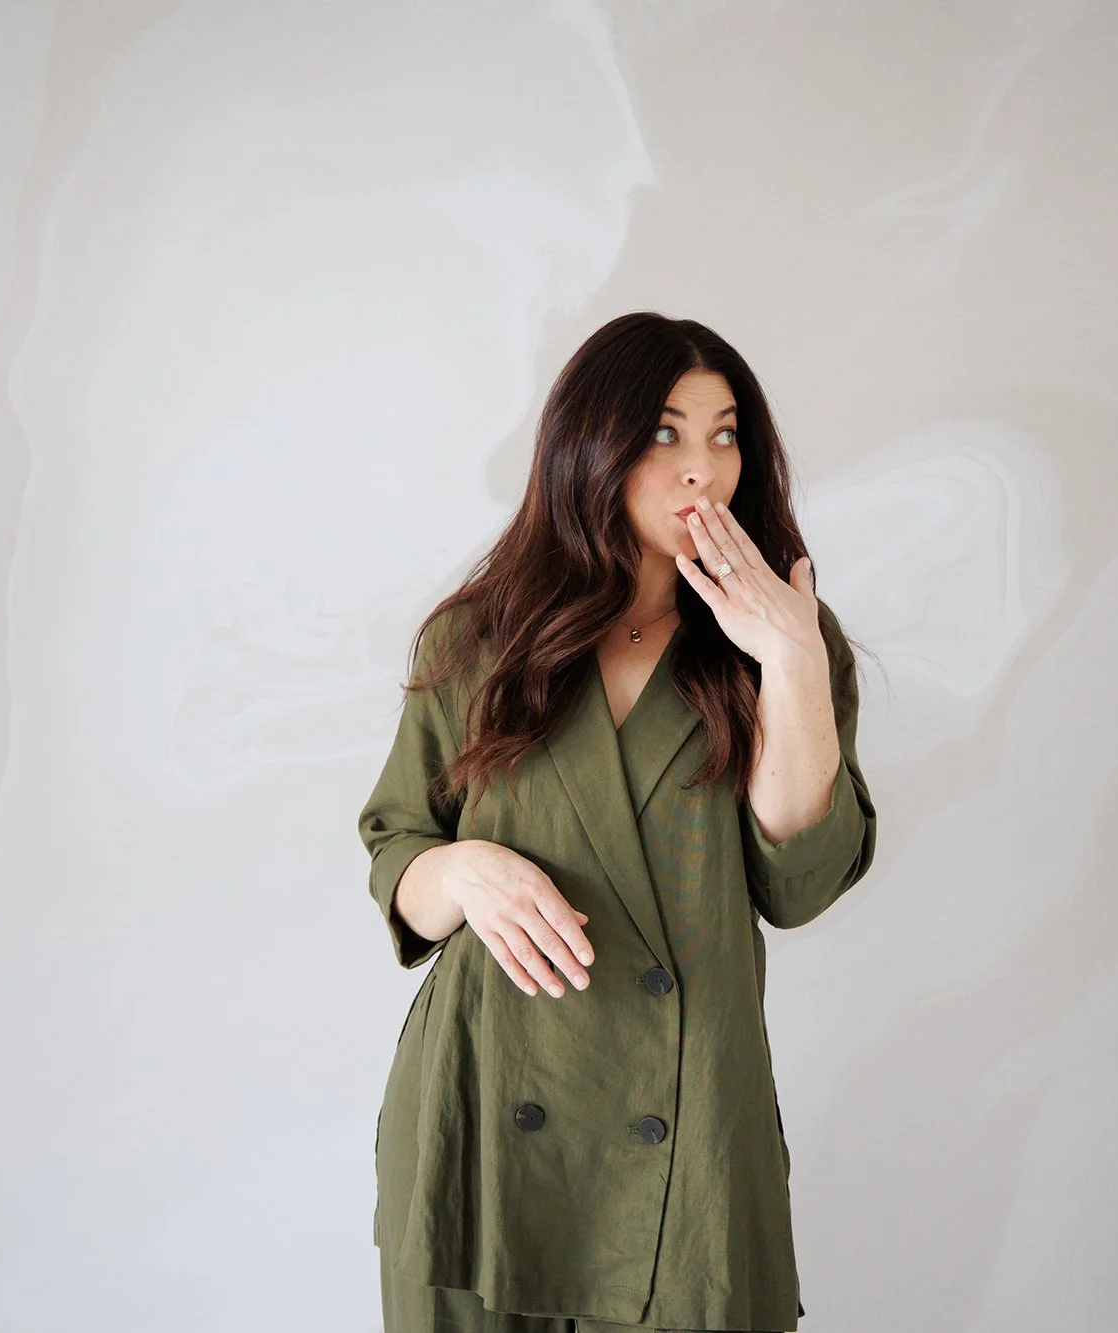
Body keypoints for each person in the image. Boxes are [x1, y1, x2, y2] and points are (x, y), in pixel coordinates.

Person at [357, 311, 878, 1333]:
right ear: (589, 445)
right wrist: (459, 870)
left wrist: (791, 664)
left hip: (685, 1141)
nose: (702, 468)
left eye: (723, 434)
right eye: (663, 432)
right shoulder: (479, 637)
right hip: (487, 1114)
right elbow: (396, 848)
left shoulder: (779, 642)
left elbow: (799, 881)